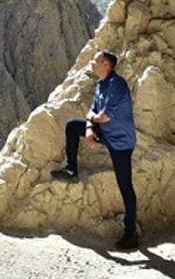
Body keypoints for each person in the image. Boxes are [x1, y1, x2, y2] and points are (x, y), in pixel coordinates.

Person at [51, 50, 139, 250]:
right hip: (105, 132)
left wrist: (93, 124)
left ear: (106, 64)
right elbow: (92, 111)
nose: (92, 62)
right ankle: (71, 169)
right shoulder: (101, 85)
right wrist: (90, 131)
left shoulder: (117, 85)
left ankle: (130, 233)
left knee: (125, 185)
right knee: (73, 126)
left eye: (96, 60)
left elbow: (105, 116)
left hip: (121, 142)